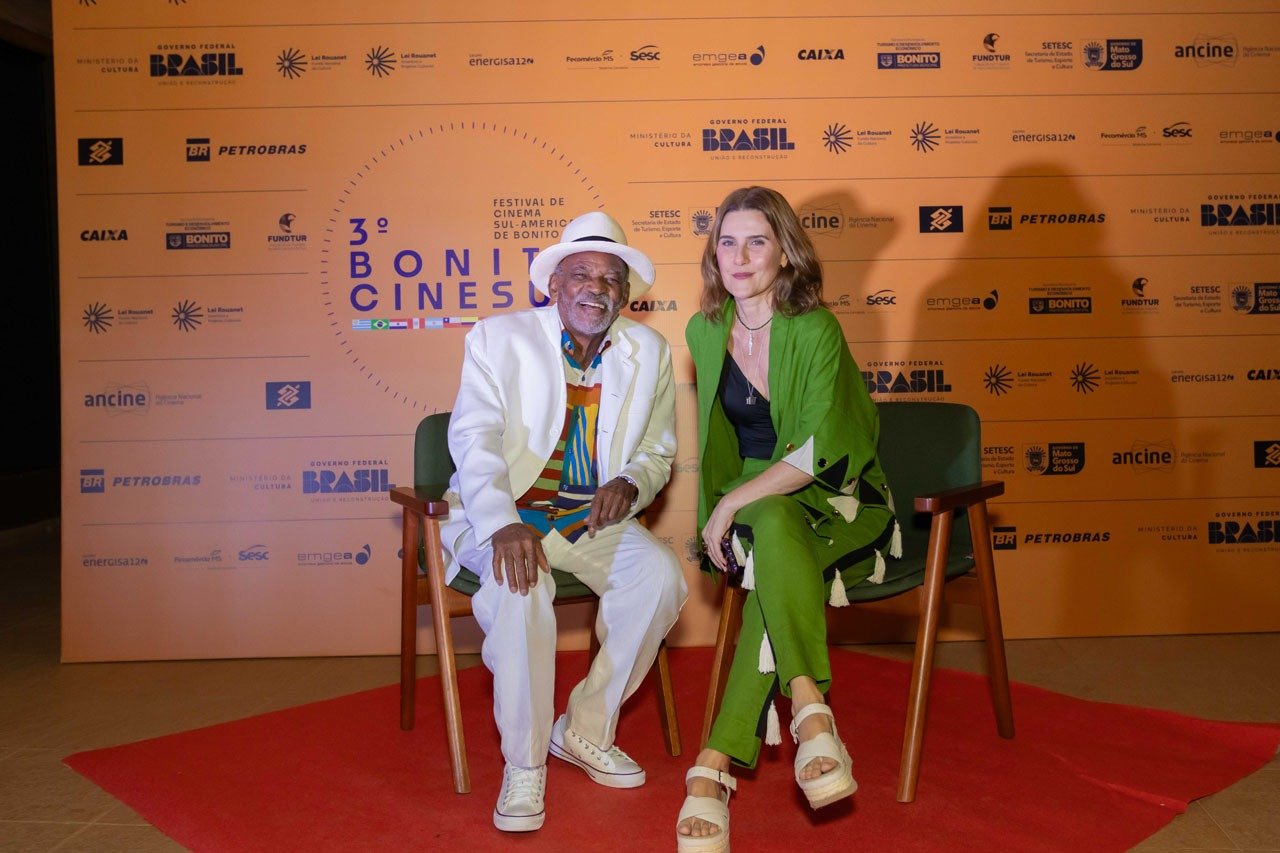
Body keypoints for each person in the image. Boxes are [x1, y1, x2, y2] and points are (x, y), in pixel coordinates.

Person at [439, 211, 687, 833]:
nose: (595, 288)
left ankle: (584, 729)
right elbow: (474, 438)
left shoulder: (649, 350)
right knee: (521, 588)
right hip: (504, 516)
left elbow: (656, 452)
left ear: (624, 295)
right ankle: (524, 765)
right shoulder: (498, 339)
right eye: (581, 274)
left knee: (659, 576)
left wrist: (630, 483)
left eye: (610, 279)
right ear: (554, 284)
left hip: (584, 518)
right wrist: (502, 523)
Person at [676, 186, 900, 849]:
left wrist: (729, 504)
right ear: (713, 255)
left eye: (757, 241)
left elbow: (818, 447)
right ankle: (811, 713)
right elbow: (722, 444)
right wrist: (731, 498)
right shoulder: (703, 330)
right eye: (727, 242)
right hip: (752, 496)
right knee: (771, 525)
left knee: (772, 536)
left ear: (786, 252)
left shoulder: (815, 328)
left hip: (833, 493)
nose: (740, 256)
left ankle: (719, 760)